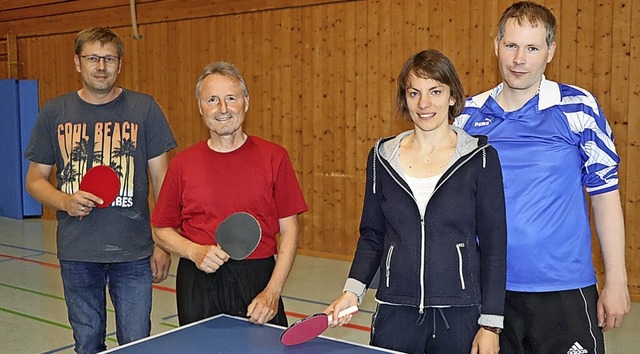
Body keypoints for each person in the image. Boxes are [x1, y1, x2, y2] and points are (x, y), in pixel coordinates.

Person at [454, 2, 631, 353]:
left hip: (563, 290)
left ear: (550, 52)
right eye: (511, 46)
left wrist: (617, 280)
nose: (519, 59)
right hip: (488, 293)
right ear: (496, 46)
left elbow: (605, 194)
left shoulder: (579, 108)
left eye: (532, 48)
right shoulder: (466, 117)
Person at [325, 49, 507, 354]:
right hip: (396, 310)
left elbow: (494, 246)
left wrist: (490, 324)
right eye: (414, 93)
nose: (424, 104)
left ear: (452, 97)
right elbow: (372, 235)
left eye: (435, 91)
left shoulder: (481, 158)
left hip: (460, 312)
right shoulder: (382, 157)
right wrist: (352, 291)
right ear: (404, 99)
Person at [24, 27, 177, 353]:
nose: (101, 66)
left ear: (120, 64)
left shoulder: (145, 109)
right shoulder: (54, 112)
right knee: (88, 342)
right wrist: (64, 200)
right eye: (93, 58)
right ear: (78, 63)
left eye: (109, 59)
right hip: (77, 253)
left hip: (135, 253)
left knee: (136, 342)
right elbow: (35, 179)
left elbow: (164, 183)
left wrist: (163, 244)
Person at [151, 61, 308, 327]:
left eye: (231, 98)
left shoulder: (275, 157)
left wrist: (272, 292)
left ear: (245, 102)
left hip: (257, 277)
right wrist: (194, 251)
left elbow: (290, 230)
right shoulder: (182, 164)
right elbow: (161, 229)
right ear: (200, 108)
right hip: (198, 278)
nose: (222, 109)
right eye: (212, 100)